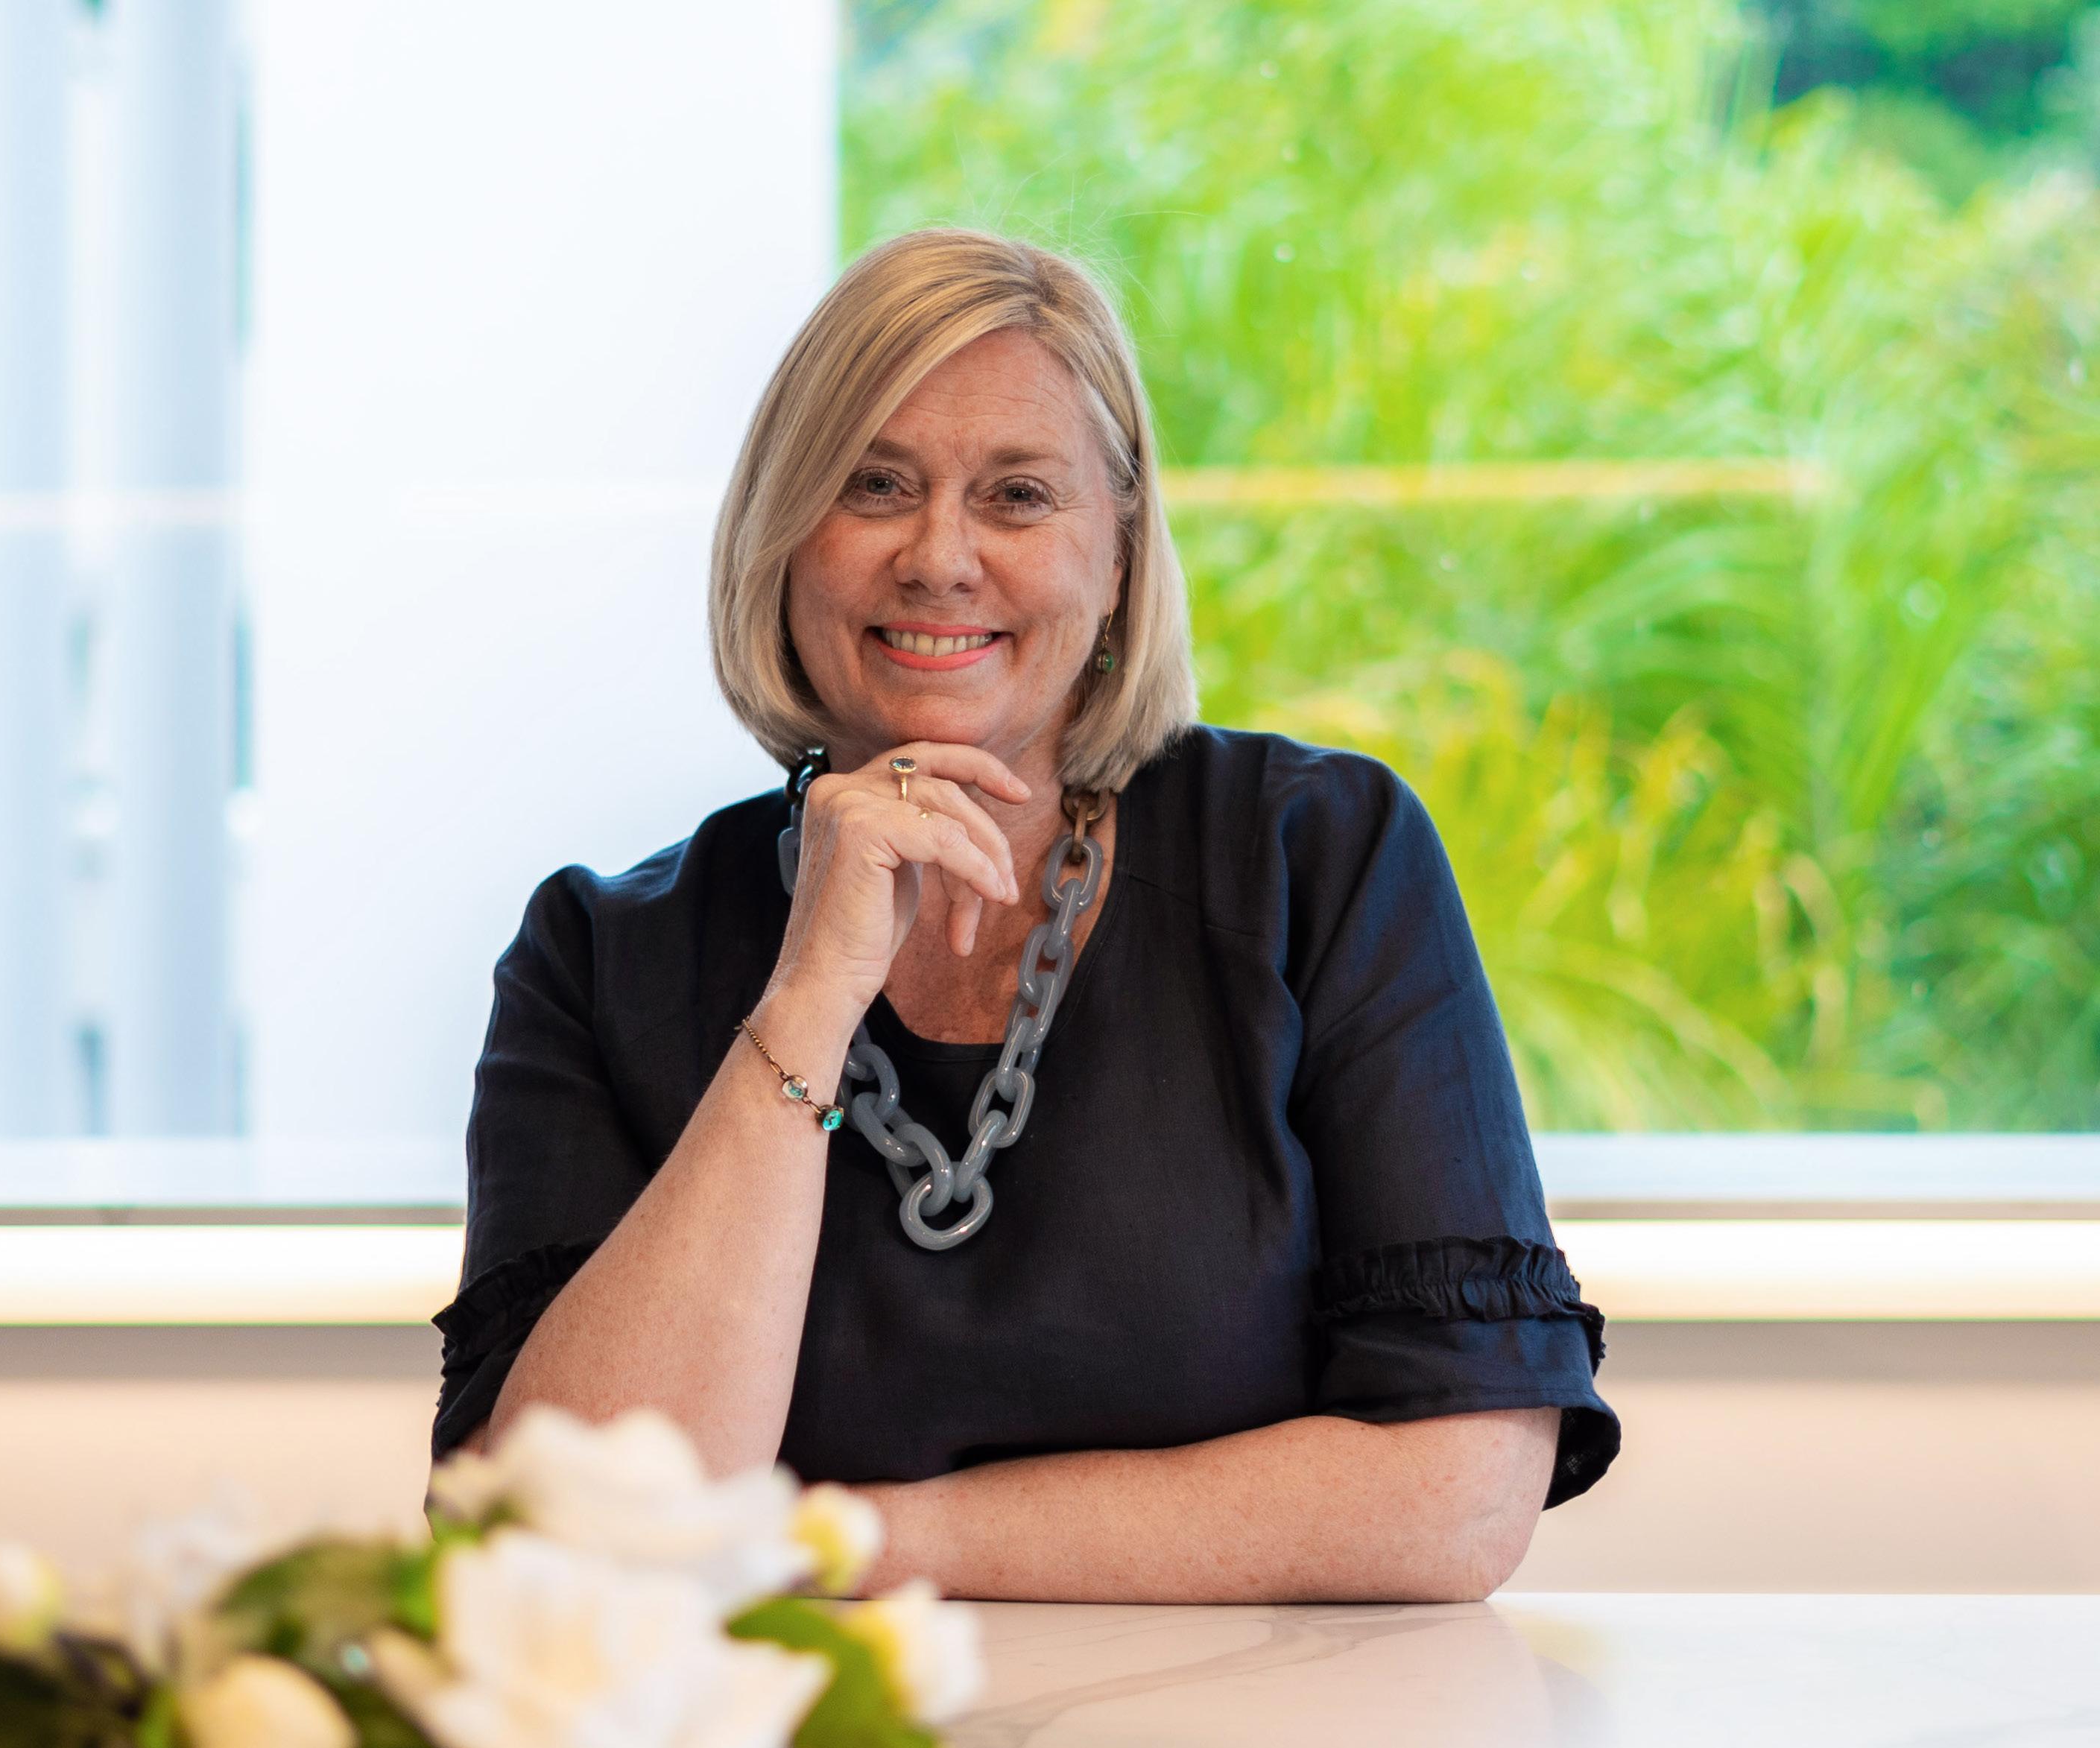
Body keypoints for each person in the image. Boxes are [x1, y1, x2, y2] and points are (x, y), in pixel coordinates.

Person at [431, 227, 1619, 1603]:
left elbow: (1460, 1493)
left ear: (1118, 556)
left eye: (1017, 496)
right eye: (874, 485)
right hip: (792, 1732)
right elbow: (547, 1537)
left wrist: (853, 1543)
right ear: (781, 539)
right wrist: (809, 996)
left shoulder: (1318, 857)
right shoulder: (598, 957)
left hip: (1250, 1737)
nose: (939, 558)